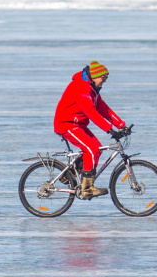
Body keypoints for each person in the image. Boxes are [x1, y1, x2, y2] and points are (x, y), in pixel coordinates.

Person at [54, 60, 129, 198]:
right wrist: (109, 129)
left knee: (97, 148)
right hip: (66, 124)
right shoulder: (81, 87)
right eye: (103, 78)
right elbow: (91, 112)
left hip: (78, 125)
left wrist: (120, 124)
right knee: (91, 150)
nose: (104, 81)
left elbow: (103, 109)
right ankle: (86, 189)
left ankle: (68, 173)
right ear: (95, 76)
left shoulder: (93, 90)